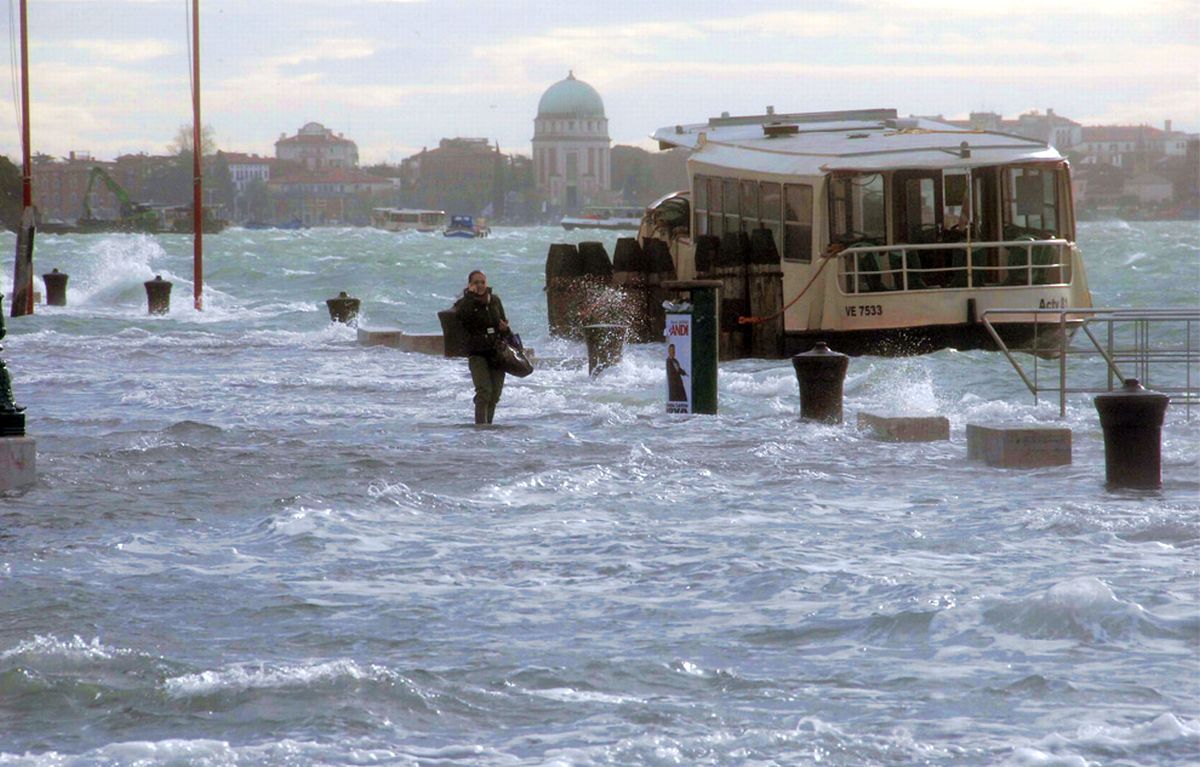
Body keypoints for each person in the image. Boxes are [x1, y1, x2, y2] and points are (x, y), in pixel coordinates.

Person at [453, 270, 510, 425]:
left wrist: (505, 329)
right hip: (477, 353)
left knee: (495, 395)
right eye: (475, 282)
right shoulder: (464, 303)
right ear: (469, 284)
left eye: (482, 282)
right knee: (484, 392)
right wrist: (470, 297)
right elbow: (462, 317)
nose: (480, 285)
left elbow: (504, 324)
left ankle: (488, 426)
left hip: (496, 351)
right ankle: (480, 428)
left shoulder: (495, 300)